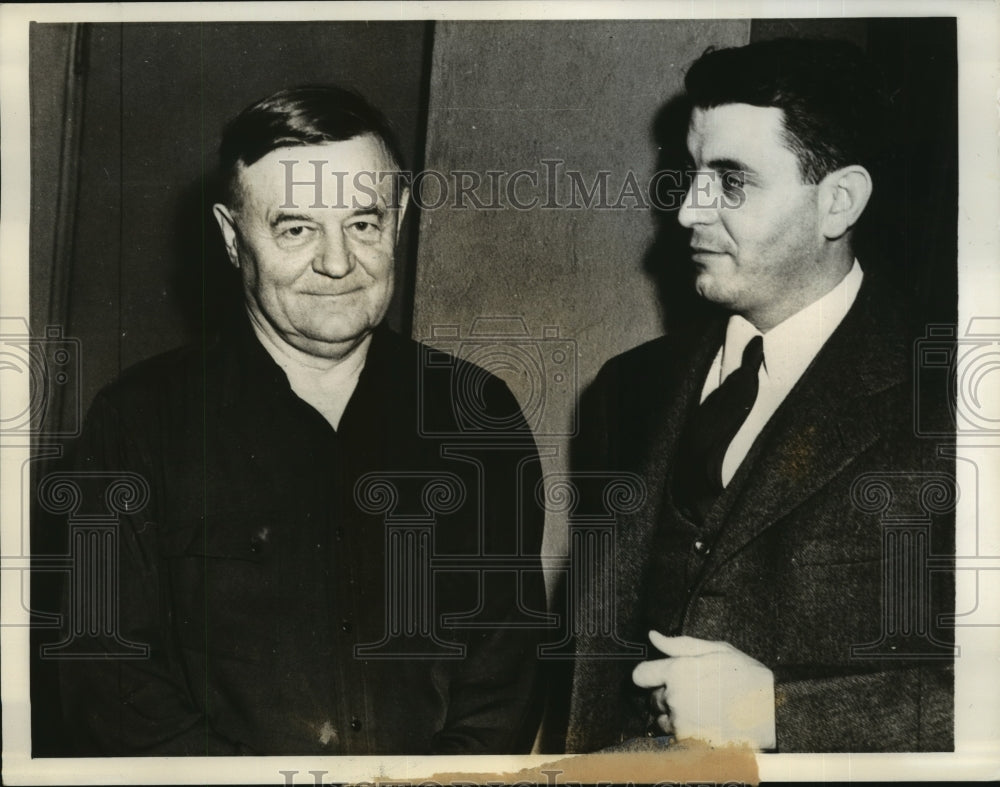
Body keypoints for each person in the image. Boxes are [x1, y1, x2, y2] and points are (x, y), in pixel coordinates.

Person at [57, 85, 546, 755]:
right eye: (296, 228)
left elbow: (505, 682)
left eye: (364, 223)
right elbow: (109, 680)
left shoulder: (477, 416)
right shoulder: (137, 423)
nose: (338, 263)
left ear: (400, 219)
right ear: (232, 238)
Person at [564, 39, 954, 753]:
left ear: (838, 202)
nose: (689, 211)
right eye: (691, 176)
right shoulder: (628, 388)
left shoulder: (953, 402)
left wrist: (777, 713)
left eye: (731, 181)